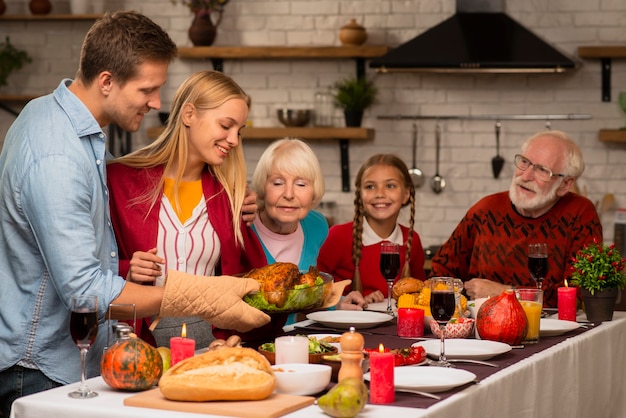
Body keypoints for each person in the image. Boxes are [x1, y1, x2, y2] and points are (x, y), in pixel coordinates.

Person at [0, 12, 269, 414]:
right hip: (42, 367)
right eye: (148, 89)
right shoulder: (57, 154)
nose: (159, 103)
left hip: (73, 360)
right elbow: (84, 291)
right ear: (107, 81)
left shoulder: (64, 125)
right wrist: (196, 297)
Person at [107, 70, 269, 348]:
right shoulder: (119, 181)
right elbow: (82, 274)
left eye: (238, 131)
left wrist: (233, 337)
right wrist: (127, 270)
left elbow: (249, 282)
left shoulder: (230, 196)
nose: (233, 140)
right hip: (138, 343)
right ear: (189, 114)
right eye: (225, 126)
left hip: (209, 344)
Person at [429, 130, 603, 308]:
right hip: (481, 328)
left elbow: (579, 291)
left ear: (565, 184)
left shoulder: (580, 214)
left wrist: (507, 294)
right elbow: (441, 270)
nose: (525, 176)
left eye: (542, 170)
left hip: (550, 329)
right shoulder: (485, 210)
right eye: (524, 162)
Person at [317, 154, 427, 308]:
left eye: (390, 186)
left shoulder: (412, 240)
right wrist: (348, 300)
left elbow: (421, 294)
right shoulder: (339, 236)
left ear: (406, 194)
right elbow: (314, 289)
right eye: (370, 186)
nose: (379, 194)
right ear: (360, 195)